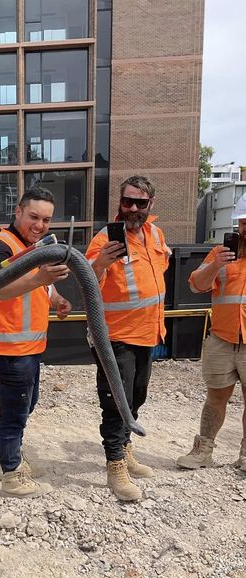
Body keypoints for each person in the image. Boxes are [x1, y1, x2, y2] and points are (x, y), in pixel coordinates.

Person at [0, 186, 71, 499]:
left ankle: (12, 455)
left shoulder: (35, 246)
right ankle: (11, 472)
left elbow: (38, 288)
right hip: (7, 350)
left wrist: (56, 298)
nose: (40, 225)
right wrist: (42, 278)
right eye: (34, 216)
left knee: (26, 406)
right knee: (14, 415)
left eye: (46, 219)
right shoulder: (0, 246)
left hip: (28, 349)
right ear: (18, 212)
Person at [86, 175, 170, 502]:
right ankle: (115, 464)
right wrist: (101, 263)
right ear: (120, 203)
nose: (133, 208)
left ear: (151, 204)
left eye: (140, 202)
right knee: (115, 400)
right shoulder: (104, 239)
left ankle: (125, 446)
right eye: (127, 201)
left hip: (148, 332)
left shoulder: (156, 234)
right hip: (114, 337)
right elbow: (87, 280)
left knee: (136, 395)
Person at [177, 194, 246, 470]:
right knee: (216, 396)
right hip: (222, 340)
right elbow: (196, 285)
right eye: (243, 223)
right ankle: (203, 450)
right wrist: (217, 263)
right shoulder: (220, 253)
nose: (245, 229)